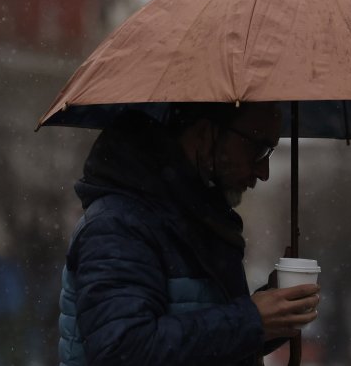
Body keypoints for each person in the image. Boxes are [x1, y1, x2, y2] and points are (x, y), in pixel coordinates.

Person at [58, 102, 320, 366]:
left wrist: (275, 312)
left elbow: (204, 341)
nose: (263, 172)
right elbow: (122, 351)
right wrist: (253, 319)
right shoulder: (118, 226)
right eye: (258, 148)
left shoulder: (198, 220)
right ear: (206, 133)